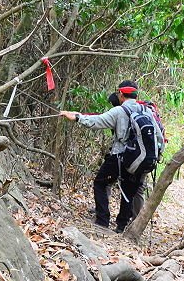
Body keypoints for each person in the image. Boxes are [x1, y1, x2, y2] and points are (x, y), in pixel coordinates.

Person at [60, 80, 164, 233]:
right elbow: (159, 137)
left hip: (119, 156)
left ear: (121, 94)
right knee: (128, 192)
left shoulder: (119, 111)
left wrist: (76, 117)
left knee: (100, 183)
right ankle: (121, 227)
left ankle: (102, 221)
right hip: (139, 159)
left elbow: (96, 121)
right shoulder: (147, 110)